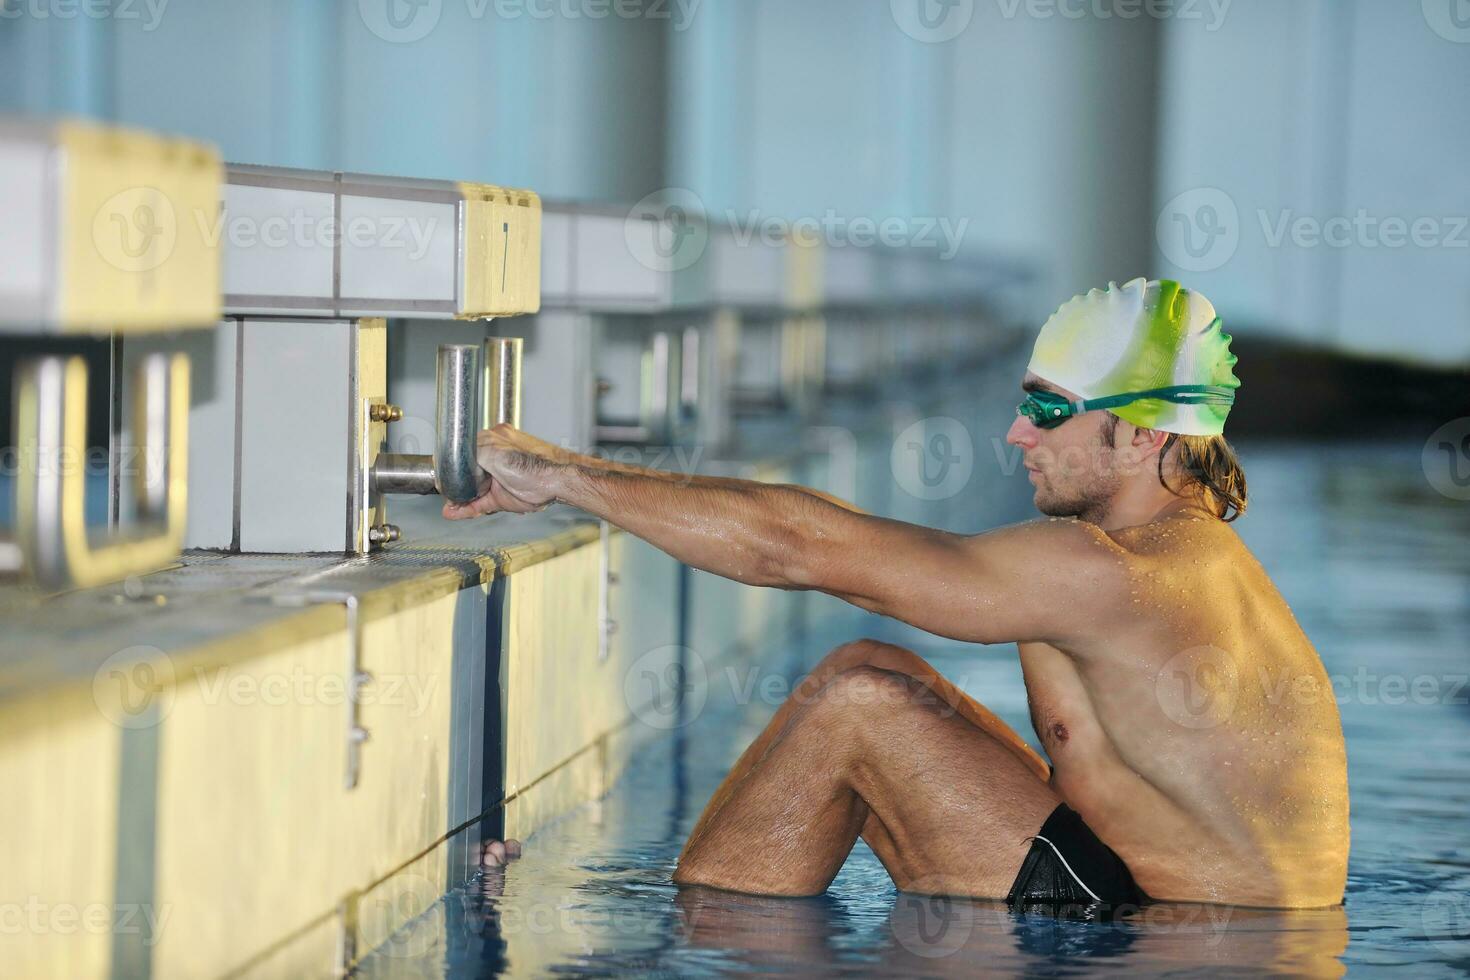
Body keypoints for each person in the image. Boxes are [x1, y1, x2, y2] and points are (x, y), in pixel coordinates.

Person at [447, 278, 1349, 913]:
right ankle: (694, 898)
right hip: (1179, 910)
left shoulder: (1115, 572)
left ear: (1145, 434)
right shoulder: (1177, 556)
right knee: (874, 671)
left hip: (1166, 941)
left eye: (1046, 411)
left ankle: (684, 928)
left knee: (857, 707)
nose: (1015, 433)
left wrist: (563, 476)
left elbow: (797, 550)